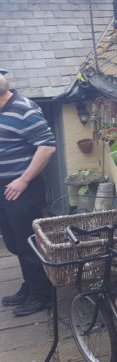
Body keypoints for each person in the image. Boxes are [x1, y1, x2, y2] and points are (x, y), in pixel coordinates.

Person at [0, 71, 56, 316]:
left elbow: (47, 146)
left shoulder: (24, 109)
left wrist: (22, 181)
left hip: (22, 189)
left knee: (28, 241)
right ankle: (31, 284)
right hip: (5, 188)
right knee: (14, 241)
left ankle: (42, 295)